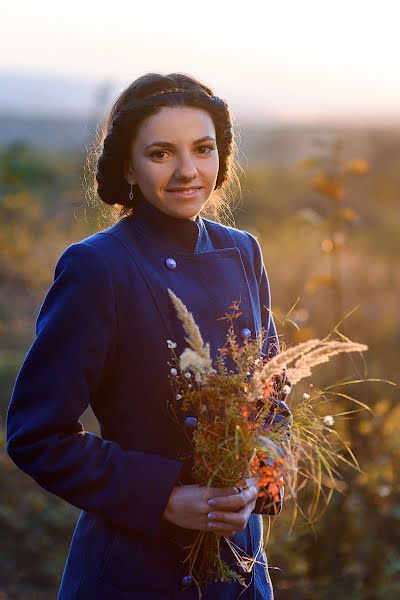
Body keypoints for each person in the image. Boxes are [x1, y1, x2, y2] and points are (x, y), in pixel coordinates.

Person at [6, 72, 292, 599]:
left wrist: (263, 475)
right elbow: (36, 434)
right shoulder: (98, 267)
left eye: (203, 149)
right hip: (135, 572)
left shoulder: (244, 251)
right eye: (161, 153)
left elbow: (272, 400)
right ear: (128, 167)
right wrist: (165, 496)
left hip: (241, 570)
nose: (188, 171)